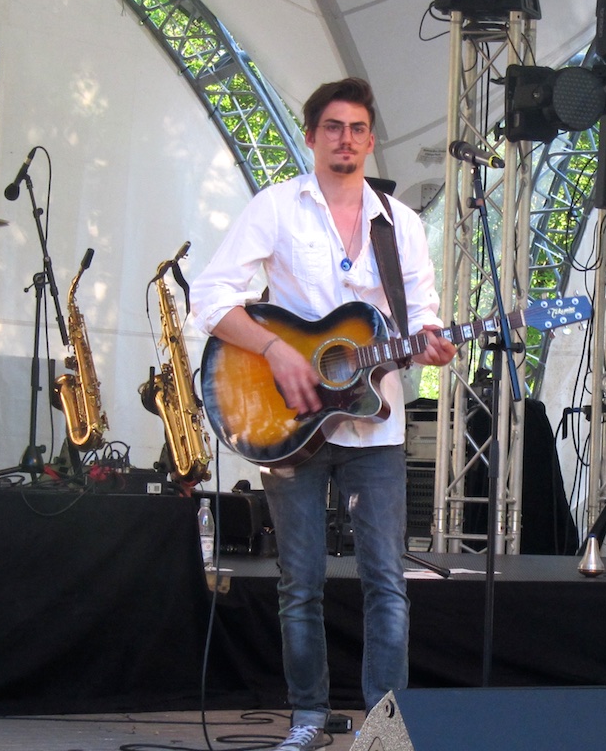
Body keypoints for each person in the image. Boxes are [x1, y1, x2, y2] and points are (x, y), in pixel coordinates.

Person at [190, 77, 456, 751]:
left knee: (386, 582)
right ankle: (307, 717)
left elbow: (420, 314)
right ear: (311, 136)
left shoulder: (401, 224)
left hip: (376, 424)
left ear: (371, 139)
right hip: (289, 424)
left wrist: (431, 340)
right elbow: (210, 296)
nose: (346, 140)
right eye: (333, 127)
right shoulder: (277, 207)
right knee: (299, 582)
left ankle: (385, 728)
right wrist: (275, 348)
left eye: (358, 129)